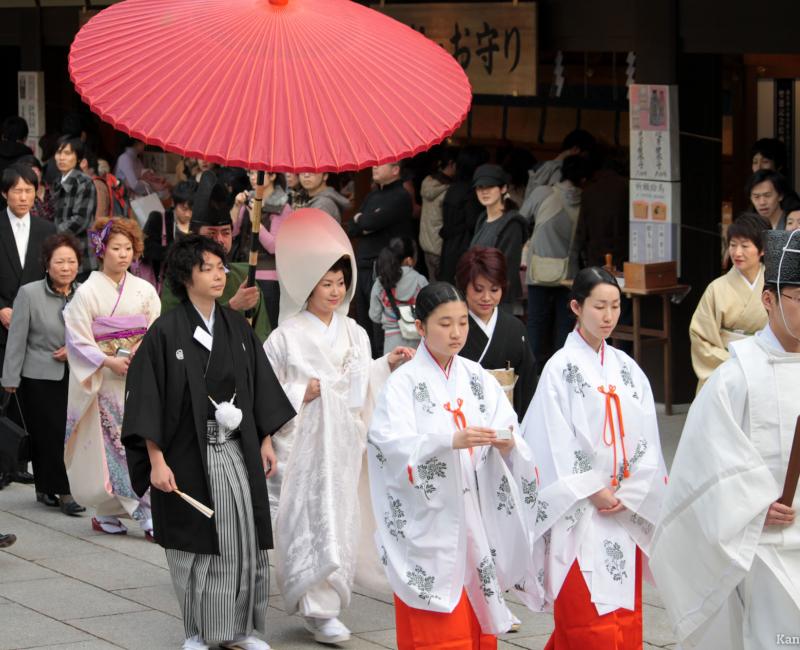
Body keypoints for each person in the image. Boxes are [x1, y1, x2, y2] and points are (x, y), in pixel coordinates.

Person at [122, 235, 295, 650]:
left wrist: (265, 440)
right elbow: (149, 398)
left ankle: (241, 630)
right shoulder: (166, 331)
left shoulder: (236, 327)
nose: (220, 275)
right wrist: (156, 459)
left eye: (221, 267)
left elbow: (257, 386)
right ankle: (199, 631)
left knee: (244, 541)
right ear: (186, 277)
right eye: (208, 268)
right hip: (187, 455)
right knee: (197, 545)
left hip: (236, 449)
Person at [264, 208, 413, 644]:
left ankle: (327, 604)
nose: (335, 291)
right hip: (302, 443)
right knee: (306, 520)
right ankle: (314, 605)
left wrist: (385, 364)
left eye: (340, 282)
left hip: (342, 442)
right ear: (308, 287)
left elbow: (360, 381)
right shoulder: (284, 336)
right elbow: (266, 391)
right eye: (326, 284)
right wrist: (299, 392)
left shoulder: (355, 332)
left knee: (340, 518)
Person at [368, 281, 542, 648]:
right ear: (420, 327)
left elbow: (509, 426)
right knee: (438, 631)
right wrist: (448, 441)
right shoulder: (403, 384)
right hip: (432, 522)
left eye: (462, 322)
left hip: (476, 517)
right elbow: (389, 448)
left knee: (477, 619)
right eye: (445, 323)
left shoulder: (478, 378)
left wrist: (507, 442)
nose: (456, 332)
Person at [650, 229, 800, 650]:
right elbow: (705, 462)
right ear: (769, 300)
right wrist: (753, 506)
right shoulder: (737, 376)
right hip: (764, 542)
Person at [521, 267, 667, 648]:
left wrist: (633, 490)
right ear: (576, 306)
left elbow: (648, 438)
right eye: (599, 306)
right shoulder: (559, 369)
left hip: (624, 507)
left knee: (623, 617)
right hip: (580, 509)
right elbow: (551, 440)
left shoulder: (628, 370)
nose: (608, 316)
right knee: (585, 619)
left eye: (616, 306)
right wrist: (592, 489)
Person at [63, 217, 160, 538]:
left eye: (128, 248)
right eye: (116, 248)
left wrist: (140, 353)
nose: (123, 254)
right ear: (101, 250)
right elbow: (77, 338)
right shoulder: (87, 292)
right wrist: (106, 361)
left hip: (138, 377)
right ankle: (144, 512)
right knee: (115, 447)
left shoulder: (144, 289)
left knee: (142, 442)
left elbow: (155, 328)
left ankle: (109, 512)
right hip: (105, 381)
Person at [2, 233, 83, 515]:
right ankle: (64, 492)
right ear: (47, 265)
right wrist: (9, 380)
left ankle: (44, 488)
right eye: (59, 261)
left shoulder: (83, 294)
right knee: (50, 434)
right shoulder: (29, 293)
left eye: (71, 261)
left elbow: (93, 335)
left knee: (66, 436)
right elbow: (17, 338)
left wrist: (73, 349)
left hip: (76, 375)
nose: (65, 267)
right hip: (38, 377)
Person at [160, 171, 271, 342]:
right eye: (211, 233)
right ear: (194, 235)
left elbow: (262, 336)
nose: (219, 240)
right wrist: (233, 307)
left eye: (225, 232)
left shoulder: (245, 278)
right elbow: (174, 329)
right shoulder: (179, 276)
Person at [0, 163, 56, 486]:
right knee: (4, 390)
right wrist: (1, 308)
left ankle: (22, 461)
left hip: (36, 323)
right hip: (3, 319)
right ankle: (5, 461)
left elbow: (55, 274)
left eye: (29, 190)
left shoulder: (47, 229)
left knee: (31, 391)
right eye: (17, 190)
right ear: (4, 193)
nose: (24, 197)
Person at [525, 155, 592, 374]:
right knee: (564, 327)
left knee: (536, 324)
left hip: (538, 272)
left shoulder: (542, 194)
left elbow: (521, 218)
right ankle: (562, 373)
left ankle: (533, 374)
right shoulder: (585, 201)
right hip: (569, 273)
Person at [689, 212, 770, 392]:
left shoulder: (775, 287)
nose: (737, 252)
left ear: (762, 249)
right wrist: (733, 362)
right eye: (733, 245)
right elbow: (700, 337)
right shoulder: (716, 289)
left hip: (765, 366)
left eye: (745, 246)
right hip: (726, 368)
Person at [456, 247, 536, 418]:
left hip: (506, 420)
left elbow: (526, 384)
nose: (486, 297)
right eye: (478, 289)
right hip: (464, 420)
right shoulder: (454, 328)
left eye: (494, 290)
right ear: (465, 286)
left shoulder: (515, 328)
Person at [348, 162, 413, 357]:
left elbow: (367, 222)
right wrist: (364, 222)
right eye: (373, 164)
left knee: (380, 325)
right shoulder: (372, 195)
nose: (374, 167)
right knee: (363, 320)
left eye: (380, 164)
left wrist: (365, 221)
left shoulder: (401, 196)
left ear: (396, 170)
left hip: (385, 268)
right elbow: (353, 227)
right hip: (363, 264)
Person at [231, 170, 292, 327]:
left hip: (268, 277)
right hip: (244, 273)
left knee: (266, 328)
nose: (253, 177)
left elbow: (273, 246)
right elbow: (232, 233)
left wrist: (255, 221)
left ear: (272, 176)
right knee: (242, 328)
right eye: (250, 173)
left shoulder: (283, 208)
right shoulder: (249, 202)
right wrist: (236, 207)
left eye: (258, 173)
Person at [470, 164, 527, 307]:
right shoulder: (482, 218)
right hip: (477, 294)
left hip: (499, 300)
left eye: (490, 186)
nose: (484, 192)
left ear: (503, 188)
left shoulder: (512, 223)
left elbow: (507, 270)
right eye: (480, 187)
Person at [439, 145, 489, 285]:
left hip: (449, 248)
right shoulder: (471, 192)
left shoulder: (453, 188)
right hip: (463, 249)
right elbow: (473, 222)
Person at [369, 236, 428, 354]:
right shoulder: (420, 281)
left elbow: (374, 316)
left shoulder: (380, 283)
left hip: (392, 344)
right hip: (418, 343)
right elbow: (430, 310)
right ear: (409, 260)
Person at [51, 136, 97, 279]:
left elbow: (80, 220)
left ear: (78, 158)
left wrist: (50, 233)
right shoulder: (57, 181)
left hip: (80, 256)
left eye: (68, 153)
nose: (61, 157)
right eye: (59, 153)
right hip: (58, 252)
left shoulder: (84, 182)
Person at [141, 180, 196, 287]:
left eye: (192, 210)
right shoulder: (158, 219)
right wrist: (179, 254)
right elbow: (146, 249)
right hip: (162, 282)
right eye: (184, 209)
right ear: (174, 204)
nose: (188, 214)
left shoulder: (198, 225)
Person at [522, 128, 595, 203]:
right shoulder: (563, 172)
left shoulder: (540, 165)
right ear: (575, 149)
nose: (585, 161)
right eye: (586, 156)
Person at [419, 147, 457, 282]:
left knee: (432, 282)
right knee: (442, 286)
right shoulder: (449, 190)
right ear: (452, 164)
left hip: (425, 242)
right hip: (440, 245)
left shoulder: (427, 181)